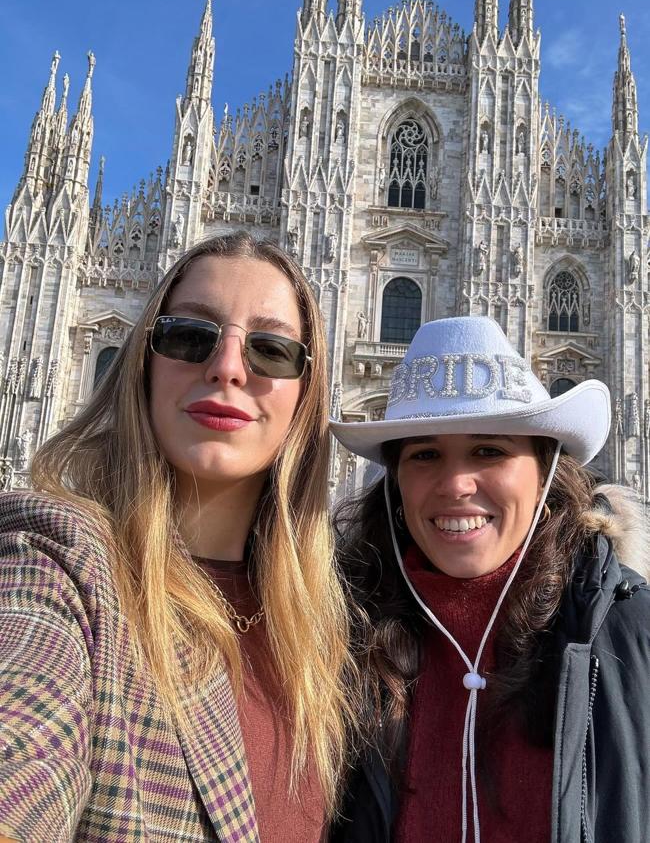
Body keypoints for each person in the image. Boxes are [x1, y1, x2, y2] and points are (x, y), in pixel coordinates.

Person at [0, 231, 357, 842]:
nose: (227, 368)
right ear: (142, 362)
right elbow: (25, 730)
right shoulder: (59, 561)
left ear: (309, 394)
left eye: (271, 351)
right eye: (189, 336)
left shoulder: (333, 628)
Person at [331, 316, 650, 843]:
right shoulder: (344, 640)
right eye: (425, 454)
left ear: (547, 468)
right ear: (395, 481)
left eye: (489, 450)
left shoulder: (626, 629)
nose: (456, 484)